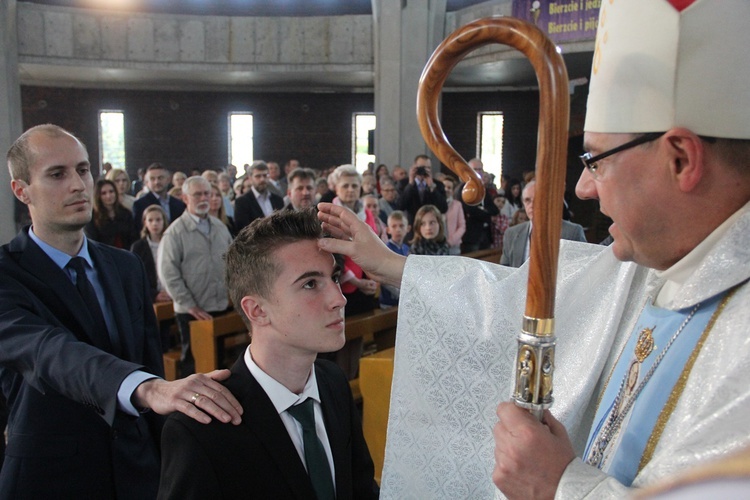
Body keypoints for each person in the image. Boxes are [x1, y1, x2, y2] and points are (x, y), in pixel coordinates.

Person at [317, 1, 750, 497]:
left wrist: (562, 484)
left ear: (680, 159)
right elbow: (515, 299)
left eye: (596, 160)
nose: (585, 188)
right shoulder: (665, 266)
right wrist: (394, 265)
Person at [1, 124, 242, 499]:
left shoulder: (125, 266)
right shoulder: (7, 273)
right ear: (21, 190)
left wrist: (167, 462)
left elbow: (148, 358)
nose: (79, 184)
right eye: (57, 174)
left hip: (134, 469)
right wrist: (145, 388)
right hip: (52, 475)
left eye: (83, 169)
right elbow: (49, 351)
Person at [157, 209, 378, 499]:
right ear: (257, 311)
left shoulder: (333, 382)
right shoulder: (202, 429)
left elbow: (361, 489)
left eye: (334, 277)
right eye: (310, 284)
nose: (339, 299)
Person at [159, 176, 234, 378]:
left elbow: (232, 261)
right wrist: (191, 305)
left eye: (207, 193)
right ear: (185, 198)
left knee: (218, 360)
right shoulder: (175, 232)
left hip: (219, 305)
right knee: (194, 364)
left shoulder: (220, 227)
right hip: (191, 310)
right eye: (197, 194)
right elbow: (168, 274)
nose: (203, 198)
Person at [500, 180, 586, 267]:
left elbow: (581, 270)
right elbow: (504, 271)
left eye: (538, 199)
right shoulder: (511, 233)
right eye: (527, 200)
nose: (532, 205)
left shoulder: (572, 232)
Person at [131, 205, 171, 303]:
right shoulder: (138, 247)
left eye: (158, 220)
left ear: (164, 221)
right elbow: (134, 276)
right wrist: (154, 294)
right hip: (150, 298)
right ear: (145, 222)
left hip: (172, 293)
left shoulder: (172, 242)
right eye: (150, 220)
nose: (155, 224)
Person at [398, 155, 448, 231]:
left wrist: (432, 187)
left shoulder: (438, 185)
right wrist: (411, 184)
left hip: (431, 228)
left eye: (428, 168)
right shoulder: (404, 184)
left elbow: (443, 208)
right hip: (412, 227)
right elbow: (400, 206)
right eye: (421, 167)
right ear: (414, 168)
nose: (424, 170)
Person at [84, 178, 137, 249]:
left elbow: (133, 237)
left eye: (111, 191)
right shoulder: (92, 217)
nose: (108, 196)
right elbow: (92, 241)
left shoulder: (126, 213)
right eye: (104, 193)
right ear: (98, 196)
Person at [234, 161, 284, 233]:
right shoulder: (242, 202)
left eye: (265, 175)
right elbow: (242, 230)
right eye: (258, 176)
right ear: (250, 179)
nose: (262, 179)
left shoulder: (278, 199)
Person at [133, 162, 186, 231]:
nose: (157, 182)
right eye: (152, 179)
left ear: (168, 179)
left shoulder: (179, 204)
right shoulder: (140, 205)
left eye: (160, 178)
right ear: (146, 183)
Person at [380, 211, 409, 309]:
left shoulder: (407, 249)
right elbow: (384, 278)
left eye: (401, 226)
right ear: (388, 230)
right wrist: (402, 294)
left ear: (408, 228)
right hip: (389, 301)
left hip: (404, 300)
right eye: (394, 226)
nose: (398, 230)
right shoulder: (385, 249)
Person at [441, 175, 466, 255]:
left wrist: (450, 241)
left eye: (449, 187)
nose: (446, 189)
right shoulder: (436, 203)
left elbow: (462, 226)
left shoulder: (457, 205)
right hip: (438, 245)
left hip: (453, 245)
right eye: (444, 186)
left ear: (452, 190)